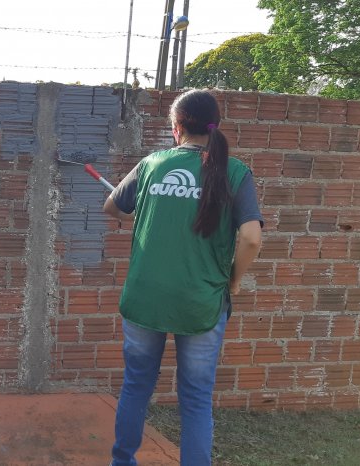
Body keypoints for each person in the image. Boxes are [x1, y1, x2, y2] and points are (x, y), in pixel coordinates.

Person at [104, 89, 263, 466]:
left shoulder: (152, 164)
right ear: (215, 127)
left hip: (145, 297)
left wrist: (138, 214)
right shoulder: (235, 171)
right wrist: (235, 281)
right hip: (201, 302)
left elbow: (112, 206)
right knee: (194, 398)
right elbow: (252, 238)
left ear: (176, 128)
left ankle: (121, 461)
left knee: (137, 386)